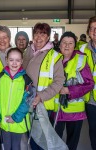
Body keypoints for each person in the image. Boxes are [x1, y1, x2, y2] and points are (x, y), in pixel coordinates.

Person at [23, 22, 65, 150]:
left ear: (48, 37)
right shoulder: (27, 52)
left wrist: (40, 96)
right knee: (30, 136)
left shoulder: (54, 56)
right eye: (36, 33)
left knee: (41, 141)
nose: (39, 37)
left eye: (43, 34)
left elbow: (59, 81)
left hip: (43, 105)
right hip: (26, 102)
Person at [54, 31, 94, 150]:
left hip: (75, 112)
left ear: (74, 45)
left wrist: (69, 90)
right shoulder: (53, 58)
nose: (67, 46)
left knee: (72, 143)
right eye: (64, 43)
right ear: (59, 44)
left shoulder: (81, 60)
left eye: (70, 43)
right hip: (57, 110)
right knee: (55, 141)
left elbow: (89, 84)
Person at [0, 48, 33, 150]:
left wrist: (15, 118)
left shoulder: (26, 80)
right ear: (6, 60)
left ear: (22, 61)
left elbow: (26, 103)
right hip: (4, 122)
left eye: (18, 60)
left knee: (17, 147)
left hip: (18, 123)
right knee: (6, 147)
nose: (14, 63)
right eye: (11, 60)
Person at [79, 16, 96, 150]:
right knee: (94, 131)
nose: (95, 31)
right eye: (92, 28)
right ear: (89, 31)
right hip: (90, 100)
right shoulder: (83, 49)